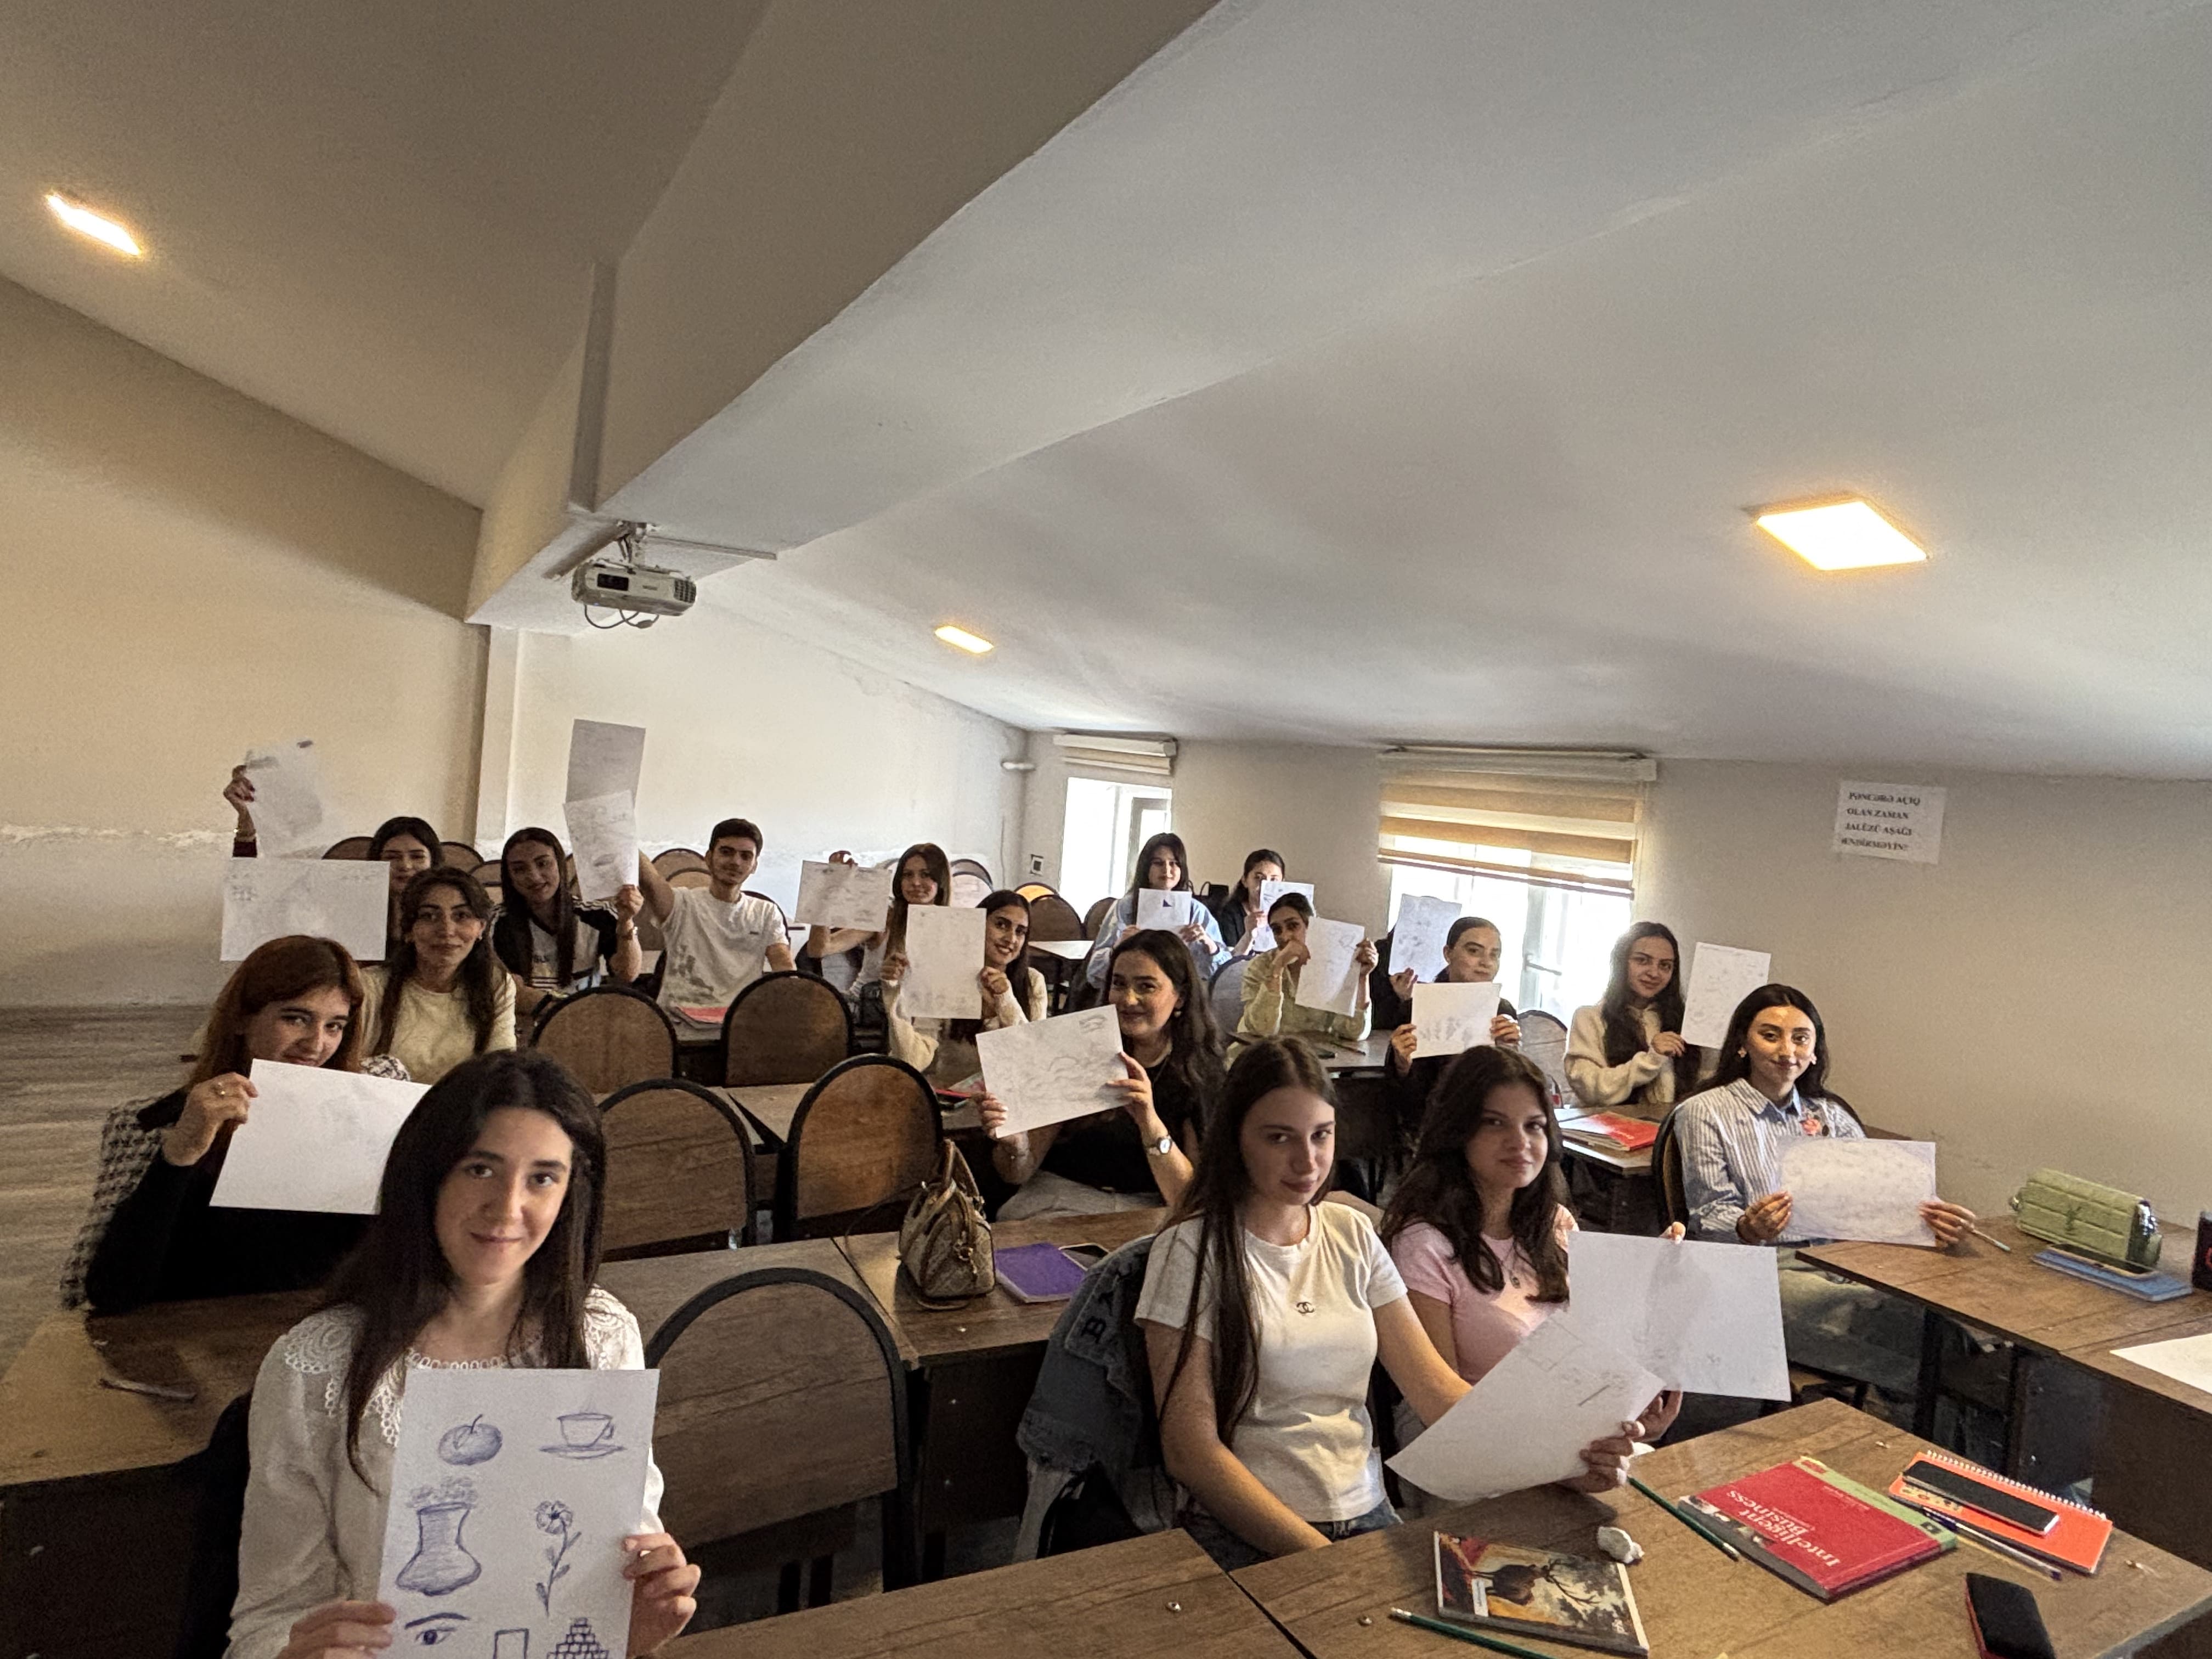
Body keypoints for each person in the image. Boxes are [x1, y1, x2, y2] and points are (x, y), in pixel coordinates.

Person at [228, 1051, 699, 1659]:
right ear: (429, 1176)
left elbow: (619, 1561)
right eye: (481, 1169)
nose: (507, 1208)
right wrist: (294, 1654)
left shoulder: (603, 1337)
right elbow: (264, 1619)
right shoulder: (317, 1367)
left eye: (542, 1177)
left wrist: (638, 1618)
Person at [1136, 1037, 1482, 1570]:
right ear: (1236, 1139)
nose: (1308, 1160)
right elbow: (1190, 1449)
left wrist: (1561, 1453)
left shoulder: (1352, 1234)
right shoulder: (1190, 1250)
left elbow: (1434, 1389)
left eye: (1322, 1135)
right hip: (1248, 1526)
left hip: (1366, 1511)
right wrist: (1321, 1559)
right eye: (1280, 1138)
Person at [1379, 1046, 1679, 1505]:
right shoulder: (1424, 1242)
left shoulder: (1556, 1223)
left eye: (1534, 1125)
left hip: (1561, 1429)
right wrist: (1562, 1464)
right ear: (1459, 1131)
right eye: (1494, 1123)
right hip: (1462, 1443)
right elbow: (1441, 1399)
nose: (1520, 1142)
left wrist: (1631, 1410)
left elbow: (1589, 1353)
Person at [60, 936, 409, 1313]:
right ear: (243, 1017)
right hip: (195, 1337)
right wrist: (179, 1154)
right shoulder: (149, 1123)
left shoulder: (373, 1102)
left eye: (335, 1026)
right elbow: (112, 1290)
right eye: (295, 1018)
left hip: (329, 1329)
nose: (316, 1043)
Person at [1672, 984, 1977, 1396]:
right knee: (1896, 1336)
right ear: (1742, 1042)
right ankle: (1923, 1400)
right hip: (1757, 1271)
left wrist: (1932, 1219)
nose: (1787, 1051)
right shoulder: (1704, 1111)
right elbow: (1707, 1217)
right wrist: (1748, 1227)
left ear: (1815, 1050)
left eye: (1801, 1038)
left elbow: (1881, 1194)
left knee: (1935, 1317)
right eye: (1770, 1035)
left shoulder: (1829, 1115)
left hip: (1840, 1264)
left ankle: (1930, 1401)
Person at [980, 929, 1224, 1218]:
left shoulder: (1199, 1072)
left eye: (1146, 987)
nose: (1128, 1000)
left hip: (1148, 1213)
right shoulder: (1079, 1049)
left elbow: (1189, 1199)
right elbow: (1018, 1173)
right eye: (1118, 984)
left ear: (1180, 998)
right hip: (1056, 1202)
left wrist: (1149, 1121)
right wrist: (1016, 1144)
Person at [360, 868, 516, 1084]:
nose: (447, 930)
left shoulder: (496, 985)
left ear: (481, 927)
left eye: (461, 916)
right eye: (429, 916)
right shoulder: (370, 986)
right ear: (409, 930)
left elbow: (500, 1071)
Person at [885, 888, 1046, 1088]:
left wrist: (1005, 1000)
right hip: (952, 1100)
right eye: (1001, 925)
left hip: (1006, 1102)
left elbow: (1032, 1060)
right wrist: (895, 993)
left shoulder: (1032, 981)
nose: (1011, 939)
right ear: (976, 925)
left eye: (1020, 932)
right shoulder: (946, 977)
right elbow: (912, 1060)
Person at [636, 817, 795, 1011]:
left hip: (738, 1026)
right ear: (709, 858)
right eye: (727, 852)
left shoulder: (766, 912)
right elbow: (650, 880)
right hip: (680, 1026)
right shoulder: (681, 904)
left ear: (754, 866)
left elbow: (783, 965)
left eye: (746, 856)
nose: (736, 862)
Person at [1384, 915, 1522, 1136]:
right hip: (1431, 1126)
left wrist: (1511, 1051)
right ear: (1448, 953)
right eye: (1474, 951)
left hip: (1489, 1124)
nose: (1485, 962)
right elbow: (1403, 1097)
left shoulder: (1502, 1010)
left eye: (1494, 955)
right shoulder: (1419, 1006)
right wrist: (1402, 1065)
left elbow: (1513, 1089)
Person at [488, 826, 643, 1015]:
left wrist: (626, 920)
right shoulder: (498, 923)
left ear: (560, 865)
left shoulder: (596, 914)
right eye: (520, 870)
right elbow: (513, 993)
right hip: (525, 1023)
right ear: (510, 877)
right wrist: (567, 1013)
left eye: (543, 864)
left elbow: (627, 974)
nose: (534, 877)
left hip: (586, 1024)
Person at [1565, 922, 1698, 1118]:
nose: (1654, 973)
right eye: (1642, 961)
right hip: (1603, 1137)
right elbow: (1590, 1088)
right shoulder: (1589, 1017)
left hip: (1667, 1135)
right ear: (1621, 963)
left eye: (1665, 966)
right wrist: (1651, 1059)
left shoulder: (1681, 1020)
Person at [1080, 832, 1228, 991]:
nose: (1167, 870)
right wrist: (1118, 946)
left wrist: (1210, 945)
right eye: (1158, 863)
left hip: (1180, 995)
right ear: (1146, 868)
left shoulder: (1196, 911)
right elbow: (1094, 973)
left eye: (1174, 863)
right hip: (1133, 991)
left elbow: (1224, 973)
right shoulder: (1125, 907)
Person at [801, 842, 950, 990]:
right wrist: (830, 890)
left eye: (926, 875)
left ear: (941, 881)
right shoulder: (885, 915)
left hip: (919, 1010)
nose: (916, 883)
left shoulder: (953, 925)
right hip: (868, 1008)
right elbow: (819, 949)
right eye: (908, 875)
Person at [1237, 891, 1376, 1048]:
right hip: (1263, 1055)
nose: (1285, 936)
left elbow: (1354, 1032)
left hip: (1315, 1060)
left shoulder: (1333, 963)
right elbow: (1261, 1030)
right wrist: (1278, 968)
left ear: (1311, 926)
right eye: (1277, 930)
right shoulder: (1260, 966)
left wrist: (1362, 977)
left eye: (1293, 926)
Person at [1210, 849, 1286, 957]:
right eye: (1259, 878)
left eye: (1274, 880)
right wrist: (1249, 934)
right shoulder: (1228, 914)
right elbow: (1228, 963)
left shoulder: (1287, 915)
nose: (1266, 885)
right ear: (1245, 880)